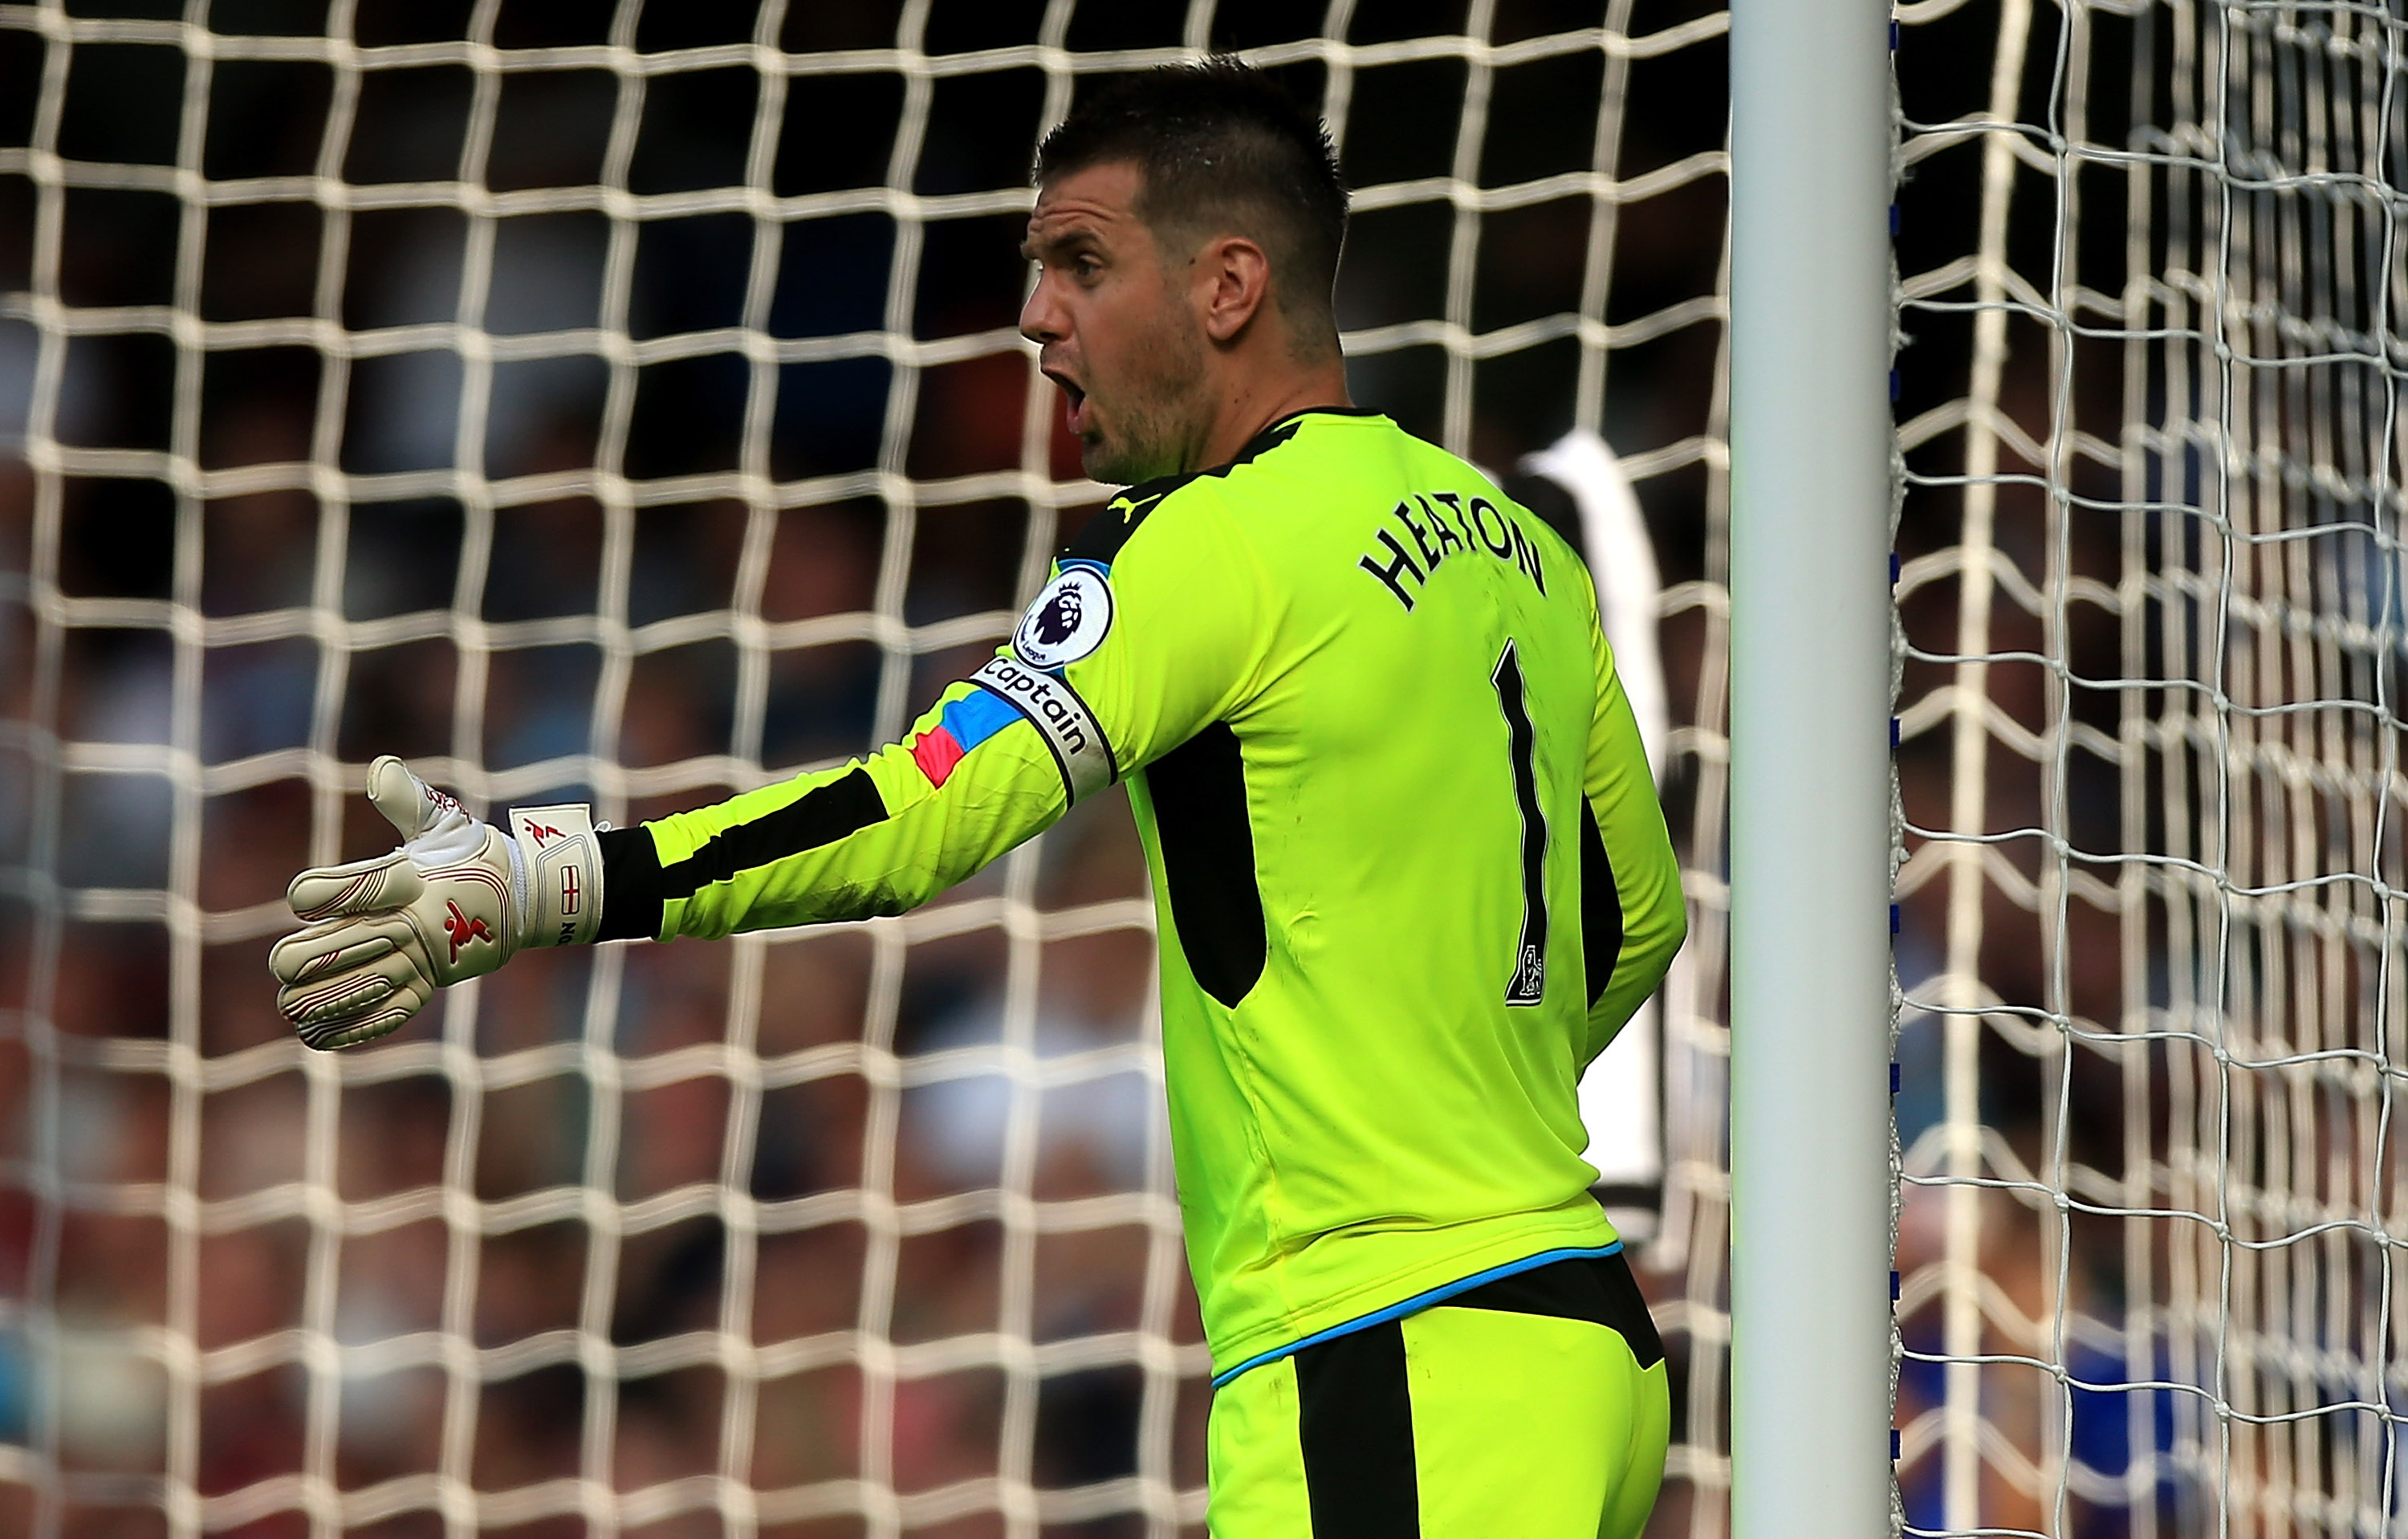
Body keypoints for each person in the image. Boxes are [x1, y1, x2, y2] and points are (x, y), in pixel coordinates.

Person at [270, 60, 1686, 1537]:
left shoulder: (1212, 548)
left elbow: (919, 813)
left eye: (1082, 262)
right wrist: (1457, 1090)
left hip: (1387, 1351)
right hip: (1580, 1338)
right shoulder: (1522, 551)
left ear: (1228, 286)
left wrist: (555, 876)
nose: (1037, 315)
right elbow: (1634, 918)